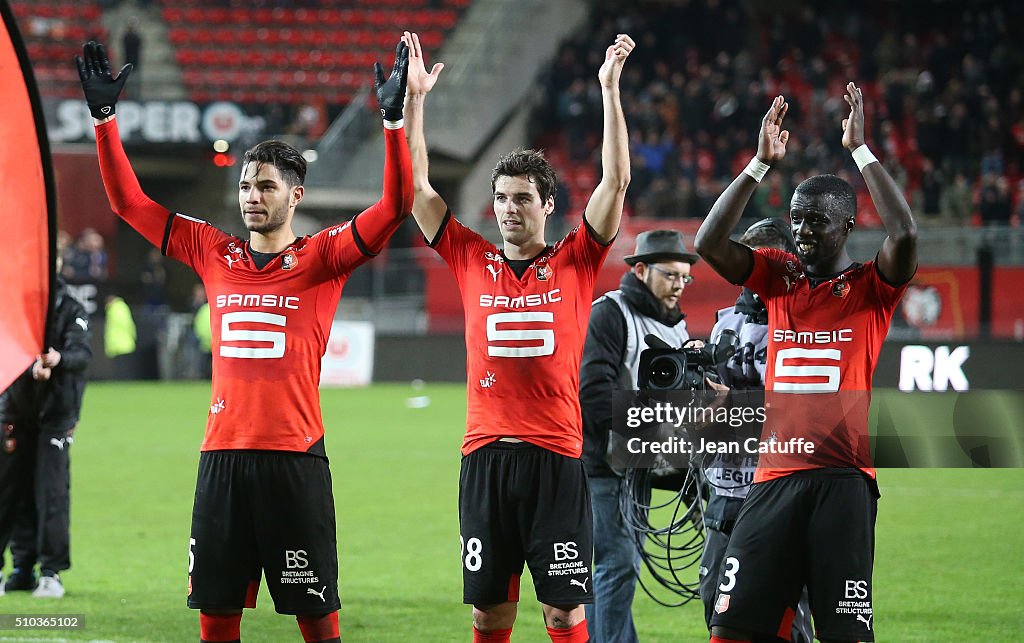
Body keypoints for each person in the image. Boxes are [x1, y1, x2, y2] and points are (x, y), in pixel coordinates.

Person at [74, 39, 413, 642]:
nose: (253, 197)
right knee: (217, 611)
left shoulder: (322, 257)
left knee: (316, 616)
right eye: (247, 187)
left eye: (266, 188)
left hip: (295, 460)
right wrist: (104, 121)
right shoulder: (213, 250)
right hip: (222, 459)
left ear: (295, 196)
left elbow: (394, 207)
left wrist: (393, 123)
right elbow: (129, 203)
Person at [403, 29, 633, 642]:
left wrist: (609, 89)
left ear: (547, 204)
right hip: (485, 457)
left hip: (557, 458)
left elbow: (614, 183)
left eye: (522, 199)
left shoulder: (577, 260)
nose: (509, 209)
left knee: (563, 613)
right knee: (489, 614)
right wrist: (414, 103)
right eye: (501, 198)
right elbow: (419, 191)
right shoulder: (470, 256)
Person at [694, 84, 916, 642]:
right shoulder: (778, 277)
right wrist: (759, 165)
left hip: (843, 482)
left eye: (817, 220)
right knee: (731, 628)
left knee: (844, 634)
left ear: (846, 227)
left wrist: (861, 152)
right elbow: (708, 241)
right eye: (796, 219)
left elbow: (906, 233)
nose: (803, 231)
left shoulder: (871, 288)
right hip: (772, 481)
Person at [578, 229, 698, 643]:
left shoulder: (676, 329)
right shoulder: (611, 313)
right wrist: (654, 427)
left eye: (685, 278)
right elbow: (592, 394)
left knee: (621, 563)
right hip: (605, 468)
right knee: (617, 563)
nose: (680, 285)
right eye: (671, 276)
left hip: (640, 470)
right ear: (642, 270)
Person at [698, 218, 812, 643]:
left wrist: (731, 405)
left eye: (765, 259)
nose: (752, 271)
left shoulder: (804, 320)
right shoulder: (722, 323)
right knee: (716, 604)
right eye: (748, 259)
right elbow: (702, 421)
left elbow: (802, 410)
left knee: (786, 614)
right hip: (726, 487)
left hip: (780, 490)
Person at [0, 276, 92, 598]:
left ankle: (51, 572)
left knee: (50, 492)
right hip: (16, 410)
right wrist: (30, 369)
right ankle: (21, 569)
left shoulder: (70, 307)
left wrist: (58, 359)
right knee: (10, 491)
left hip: (55, 415)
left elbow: (82, 354)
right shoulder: (13, 305)